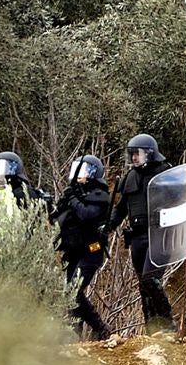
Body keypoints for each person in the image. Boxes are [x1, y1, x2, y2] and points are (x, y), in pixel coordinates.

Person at [108, 133, 175, 332]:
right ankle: (152, 329)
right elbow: (120, 208)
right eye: (132, 154)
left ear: (149, 153)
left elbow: (178, 201)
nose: (134, 158)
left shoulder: (165, 173)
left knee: (150, 279)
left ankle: (168, 322)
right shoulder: (130, 177)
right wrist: (109, 225)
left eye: (137, 154)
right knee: (143, 285)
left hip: (159, 235)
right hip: (137, 237)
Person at [51, 154, 112, 340]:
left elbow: (87, 214)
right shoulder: (73, 193)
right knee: (68, 293)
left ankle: (100, 327)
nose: (79, 175)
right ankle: (74, 332)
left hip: (91, 252)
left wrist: (73, 199)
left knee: (73, 291)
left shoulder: (100, 196)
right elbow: (58, 218)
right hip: (72, 251)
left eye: (84, 171)